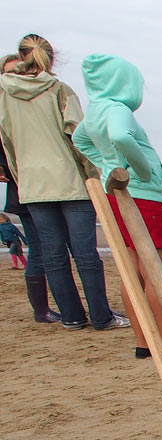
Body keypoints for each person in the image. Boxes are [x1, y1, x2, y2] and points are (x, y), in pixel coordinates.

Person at [0, 34, 128, 331]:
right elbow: (79, 138)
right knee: (84, 254)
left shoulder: (5, 93)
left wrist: (21, 177)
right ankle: (101, 317)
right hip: (69, 181)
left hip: (33, 184)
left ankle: (72, 317)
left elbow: (7, 141)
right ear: (51, 58)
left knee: (53, 254)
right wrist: (93, 174)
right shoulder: (59, 90)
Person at [73, 53, 162, 359]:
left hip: (118, 195)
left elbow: (80, 139)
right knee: (155, 271)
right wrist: (142, 171)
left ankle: (145, 341)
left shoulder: (96, 110)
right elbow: (120, 136)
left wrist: (107, 166)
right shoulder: (117, 109)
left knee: (133, 270)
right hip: (141, 196)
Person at [0, 91, 57, 323]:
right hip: (26, 190)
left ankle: (56, 309)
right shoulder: (8, 106)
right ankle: (42, 310)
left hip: (48, 186)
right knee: (40, 249)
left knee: (52, 248)